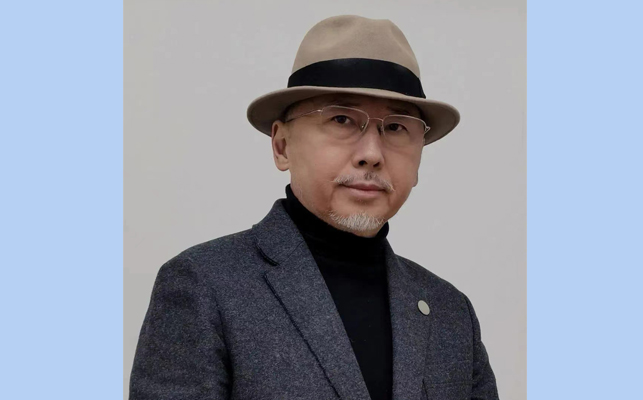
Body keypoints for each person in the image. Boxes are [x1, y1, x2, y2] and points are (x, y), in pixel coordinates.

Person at [129, 15, 499, 400]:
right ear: (282, 146)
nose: (372, 154)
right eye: (341, 119)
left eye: (395, 127)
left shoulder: (451, 312)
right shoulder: (205, 286)